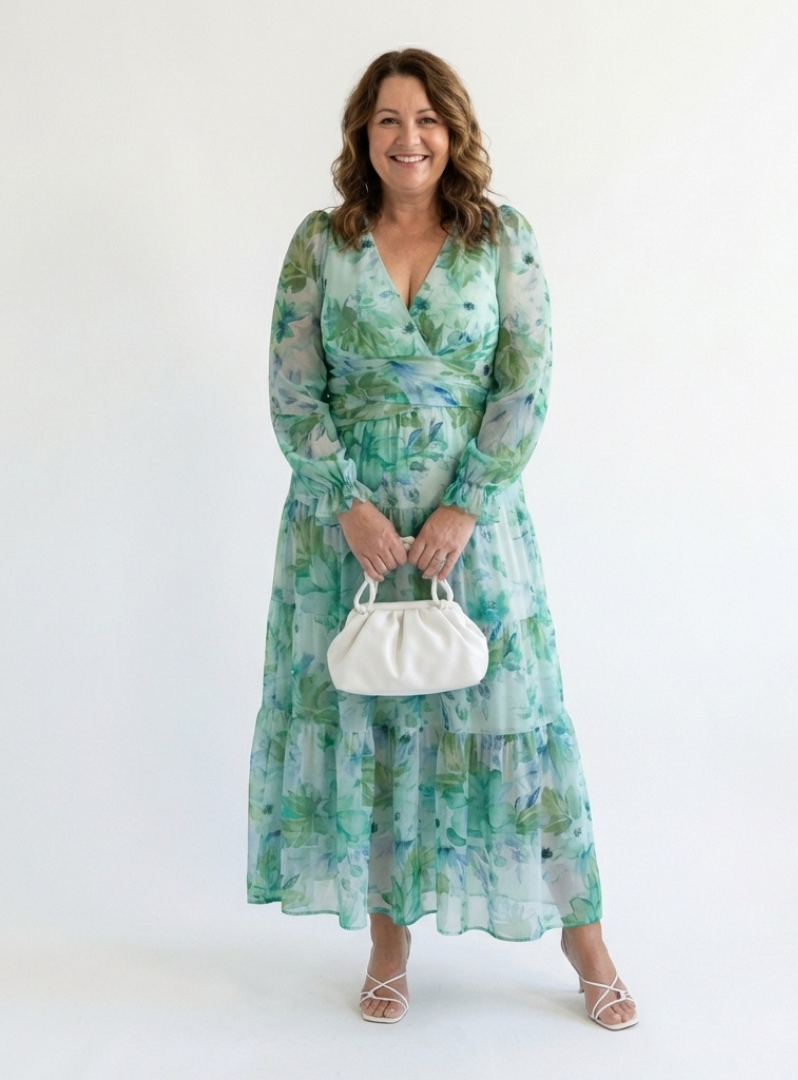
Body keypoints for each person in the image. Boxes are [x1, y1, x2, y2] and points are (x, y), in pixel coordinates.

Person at [247, 47, 638, 1031]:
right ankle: (388, 945)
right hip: (347, 533)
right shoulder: (321, 243)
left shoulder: (501, 239)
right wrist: (348, 502)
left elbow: (525, 383)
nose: (408, 137)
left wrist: (467, 501)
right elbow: (293, 390)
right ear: (363, 135)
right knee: (370, 718)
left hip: (474, 524)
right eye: (388, 118)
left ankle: (585, 940)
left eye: (425, 118)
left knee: (513, 718)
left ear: (453, 132)